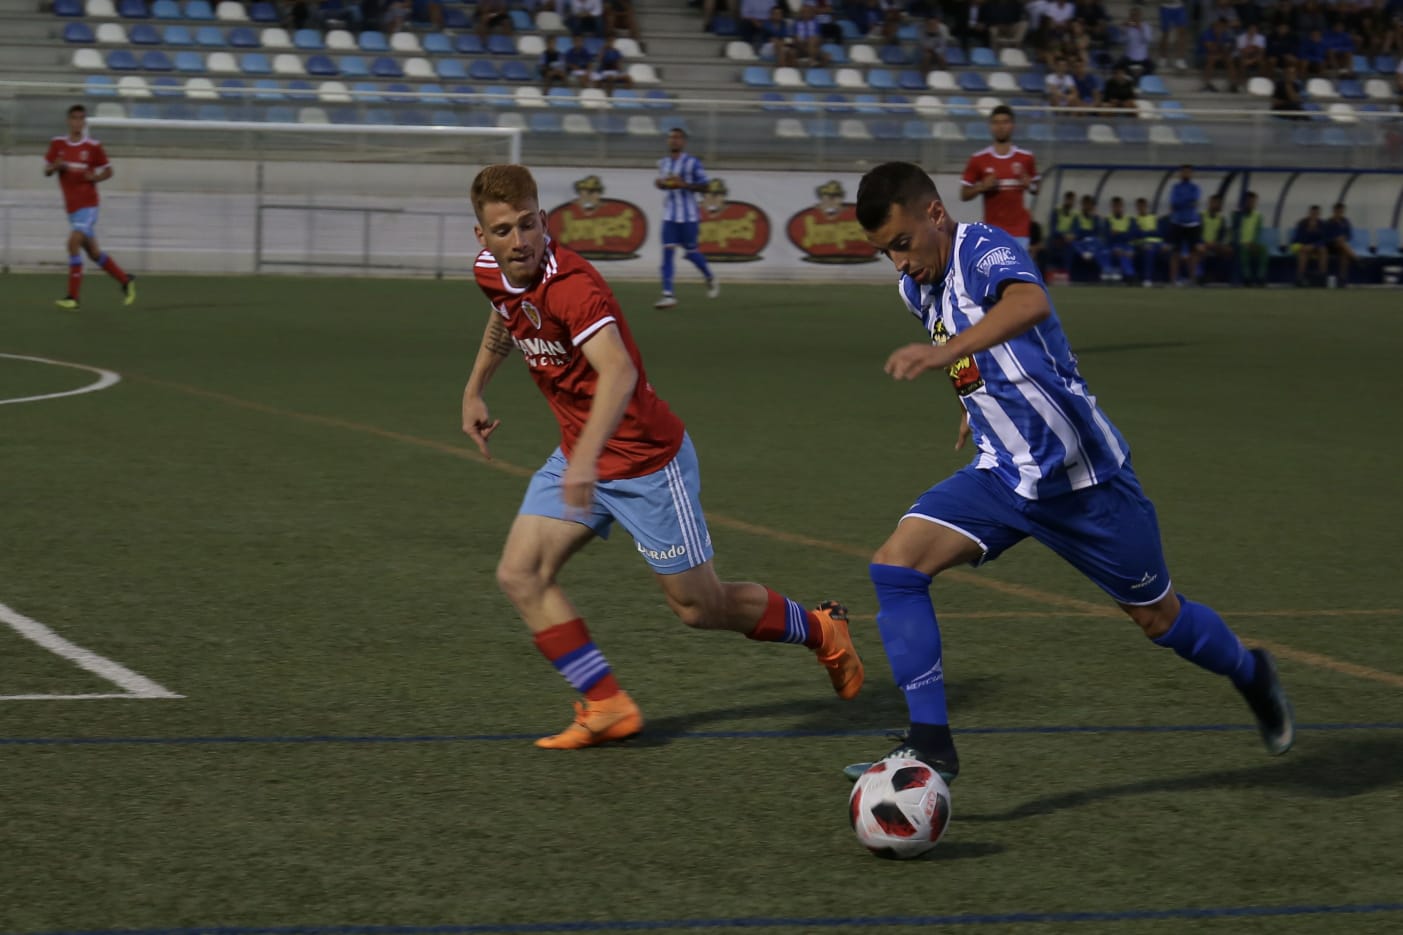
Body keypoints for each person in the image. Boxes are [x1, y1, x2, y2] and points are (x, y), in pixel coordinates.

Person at [837, 161, 1294, 785]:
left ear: (935, 215)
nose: (897, 263)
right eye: (883, 252)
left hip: (1082, 482)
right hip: (1002, 474)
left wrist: (945, 354)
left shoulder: (982, 248)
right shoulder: (916, 287)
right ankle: (931, 744)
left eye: (901, 244)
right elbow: (981, 353)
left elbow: (1029, 302)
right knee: (895, 568)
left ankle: (1251, 672)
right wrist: (974, 403)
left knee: (1159, 618)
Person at [463, 164, 863, 749]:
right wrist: (475, 387)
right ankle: (606, 705)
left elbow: (619, 372)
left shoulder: (574, 285)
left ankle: (821, 628)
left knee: (701, 608)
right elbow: (505, 317)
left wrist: (585, 461)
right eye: (502, 231)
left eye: (528, 225)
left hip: (645, 461)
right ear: (483, 239)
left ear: (544, 220)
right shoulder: (490, 272)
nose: (518, 241)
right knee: (520, 574)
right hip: (582, 454)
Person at [44, 104, 135, 310]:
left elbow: (109, 171)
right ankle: (125, 280)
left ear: (84, 122)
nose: (78, 122)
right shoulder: (57, 144)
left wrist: (96, 177)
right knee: (94, 253)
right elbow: (47, 171)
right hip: (72, 208)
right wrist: (54, 166)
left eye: (81, 119)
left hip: (89, 205)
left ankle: (73, 297)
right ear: (68, 121)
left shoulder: (93, 146)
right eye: (74, 118)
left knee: (72, 243)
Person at [653, 127, 718, 309]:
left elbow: (706, 187)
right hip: (670, 216)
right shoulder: (664, 163)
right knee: (667, 253)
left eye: (678, 138)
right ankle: (668, 294)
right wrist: (660, 184)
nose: (674, 140)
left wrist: (684, 185)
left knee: (691, 253)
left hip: (689, 216)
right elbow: (664, 184)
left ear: (684, 142)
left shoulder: (692, 163)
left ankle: (709, 276)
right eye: (671, 137)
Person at [959, 105, 1039, 249]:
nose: (1001, 127)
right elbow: (964, 194)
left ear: (1012, 125)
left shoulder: (1026, 158)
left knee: (1017, 271)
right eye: (996, 122)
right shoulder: (978, 159)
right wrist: (983, 186)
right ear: (991, 127)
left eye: (1005, 122)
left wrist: (1029, 184)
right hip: (993, 230)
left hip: (1020, 230)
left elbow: (1036, 188)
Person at [1166, 164, 1201, 286]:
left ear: (1191, 174)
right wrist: (1186, 202)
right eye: (1184, 172)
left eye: (1188, 172)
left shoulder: (1195, 188)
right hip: (1177, 222)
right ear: (1180, 174)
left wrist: (1182, 202)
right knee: (1175, 252)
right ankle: (1173, 280)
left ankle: (1192, 279)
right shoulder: (1175, 188)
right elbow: (1173, 203)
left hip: (1192, 223)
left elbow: (1194, 201)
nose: (1186, 174)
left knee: (1193, 252)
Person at [1233, 190, 1269, 287]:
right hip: (1239, 244)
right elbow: (1234, 232)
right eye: (1249, 201)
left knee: (1263, 249)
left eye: (1254, 202)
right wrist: (1242, 243)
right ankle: (1247, 278)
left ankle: (1261, 277)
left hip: (1252, 243)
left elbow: (1257, 232)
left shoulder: (1258, 216)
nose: (1252, 204)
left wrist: (1253, 243)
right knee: (1243, 250)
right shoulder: (1236, 214)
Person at [1198, 193, 1233, 284]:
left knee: (1228, 251)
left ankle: (1221, 277)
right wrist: (1204, 242)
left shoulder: (1221, 219)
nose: (1217, 205)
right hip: (1202, 243)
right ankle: (1200, 276)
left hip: (1215, 244)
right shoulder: (1201, 216)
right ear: (1210, 203)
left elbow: (1222, 235)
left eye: (1219, 203)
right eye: (1215, 203)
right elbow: (1196, 233)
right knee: (1201, 250)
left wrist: (1216, 243)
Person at [1292, 204, 1329, 286]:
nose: (1314, 215)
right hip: (1304, 246)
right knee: (1303, 252)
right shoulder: (1302, 223)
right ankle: (1300, 278)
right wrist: (1309, 230)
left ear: (1319, 214)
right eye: (1313, 213)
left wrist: (1314, 245)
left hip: (1316, 247)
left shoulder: (1322, 224)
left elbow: (1324, 240)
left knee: (1323, 250)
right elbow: (1298, 239)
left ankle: (1322, 278)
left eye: (1316, 213)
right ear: (1309, 213)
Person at [1133, 195, 1166, 286]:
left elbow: (1159, 233)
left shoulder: (1153, 218)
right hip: (1142, 244)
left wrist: (1145, 232)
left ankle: (1170, 279)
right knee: (1149, 251)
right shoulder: (1135, 220)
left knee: (1170, 251)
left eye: (1143, 206)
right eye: (1139, 206)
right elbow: (1137, 234)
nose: (1141, 208)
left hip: (1158, 243)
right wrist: (1150, 232)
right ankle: (1147, 279)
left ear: (1146, 206)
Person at [1105, 195, 1137, 282]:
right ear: (1112, 207)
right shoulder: (1108, 220)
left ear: (1122, 206)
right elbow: (1108, 237)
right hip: (1113, 245)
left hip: (1127, 245)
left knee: (1127, 252)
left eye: (1119, 205)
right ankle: (1130, 276)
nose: (1117, 208)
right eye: (1115, 206)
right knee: (1121, 252)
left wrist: (1117, 233)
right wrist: (1122, 234)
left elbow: (1131, 235)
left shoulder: (1129, 219)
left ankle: (1129, 276)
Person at [1323, 202, 1357, 286]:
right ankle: (1356, 259)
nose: (1339, 213)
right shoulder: (1328, 222)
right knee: (1341, 243)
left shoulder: (1345, 222)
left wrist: (1343, 238)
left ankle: (1342, 278)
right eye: (1337, 211)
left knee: (1344, 253)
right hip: (1330, 246)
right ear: (1334, 211)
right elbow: (1325, 237)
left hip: (1341, 247)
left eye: (1341, 211)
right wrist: (1335, 239)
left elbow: (1349, 235)